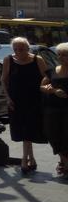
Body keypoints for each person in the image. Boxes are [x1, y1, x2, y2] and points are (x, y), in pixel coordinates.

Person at [2, 37, 47, 174]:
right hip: (16, 100)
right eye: (15, 49)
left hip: (34, 100)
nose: (18, 52)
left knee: (29, 129)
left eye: (21, 49)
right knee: (22, 130)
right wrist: (8, 98)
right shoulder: (8, 60)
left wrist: (42, 88)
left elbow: (46, 76)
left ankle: (24, 160)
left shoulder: (37, 60)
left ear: (27, 48)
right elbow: (4, 79)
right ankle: (31, 158)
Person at [41, 42, 68, 178]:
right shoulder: (52, 70)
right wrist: (50, 90)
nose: (61, 57)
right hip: (52, 108)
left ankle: (64, 163)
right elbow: (42, 86)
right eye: (59, 55)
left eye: (64, 55)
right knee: (51, 133)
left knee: (66, 135)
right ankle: (64, 161)